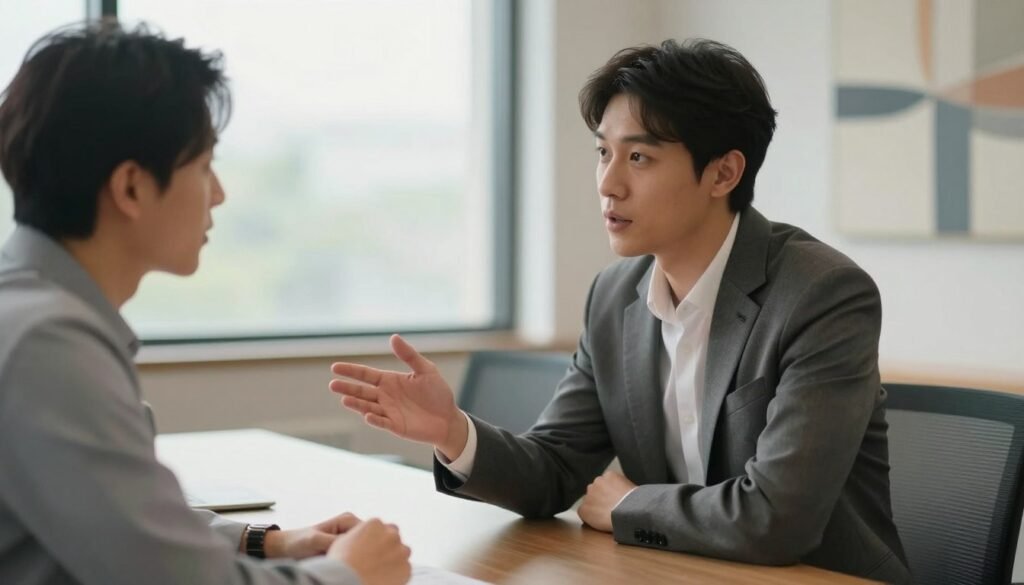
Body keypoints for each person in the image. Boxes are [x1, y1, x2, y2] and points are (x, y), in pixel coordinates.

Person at [330, 39, 911, 583]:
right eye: (603, 152)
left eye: (639, 157)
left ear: (724, 172)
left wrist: (630, 504)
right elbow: (557, 469)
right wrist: (453, 432)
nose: (608, 184)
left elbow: (778, 518)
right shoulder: (616, 295)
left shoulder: (822, 293)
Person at [0, 21, 410, 585]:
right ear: (131, 188)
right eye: (203, 166)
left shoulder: (27, 309)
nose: (218, 193)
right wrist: (351, 575)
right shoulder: (49, 344)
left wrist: (266, 542)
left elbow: (116, 517)